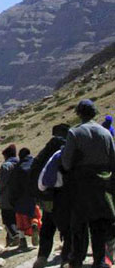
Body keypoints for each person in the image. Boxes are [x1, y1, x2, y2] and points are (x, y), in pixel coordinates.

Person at [62, 99, 115, 268]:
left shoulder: (75, 133)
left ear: (79, 114)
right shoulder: (106, 133)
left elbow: (66, 163)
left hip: (81, 185)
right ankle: (100, 261)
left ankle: (76, 260)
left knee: (78, 226)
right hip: (102, 185)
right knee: (99, 226)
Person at [30, 124, 72, 268]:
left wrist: (39, 195)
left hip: (46, 197)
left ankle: (42, 257)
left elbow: (34, 169)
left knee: (48, 226)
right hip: (64, 196)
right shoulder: (67, 149)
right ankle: (66, 259)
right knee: (68, 229)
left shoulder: (46, 150)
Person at [10, 148, 41, 249]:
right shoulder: (36, 164)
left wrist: (12, 199)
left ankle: (23, 240)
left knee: (21, 219)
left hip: (21, 197)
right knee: (35, 214)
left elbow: (13, 185)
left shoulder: (18, 167)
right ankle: (35, 224)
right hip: (34, 195)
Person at [0, 144, 20, 247]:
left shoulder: (6, 166)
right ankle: (14, 239)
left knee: (8, 219)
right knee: (17, 218)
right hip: (20, 195)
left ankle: (15, 235)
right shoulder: (21, 162)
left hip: (7, 196)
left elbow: (2, 182)